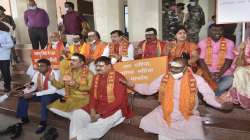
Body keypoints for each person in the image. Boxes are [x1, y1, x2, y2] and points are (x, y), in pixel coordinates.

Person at [123, 57, 233, 140]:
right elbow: (148, 89)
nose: (174, 71)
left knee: (195, 135)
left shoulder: (196, 79)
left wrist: (221, 105)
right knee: (155, 128)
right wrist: (132, 85)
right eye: (172, 68)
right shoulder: (164, 77)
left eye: (177, 69)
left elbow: (208, 96)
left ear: (186, 68)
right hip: (165, 114)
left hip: (187, 115)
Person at [69, 56, 133, 140]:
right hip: (97, 106)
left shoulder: (118, 77)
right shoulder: (96, 77)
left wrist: (100, 114)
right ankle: (73, 137)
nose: (98, 68)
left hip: (115, 108)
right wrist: (92, 110)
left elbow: (118, 101)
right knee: (78, 114)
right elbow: (92, 95)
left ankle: (77, 138)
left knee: (99, 124)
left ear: (110, 66)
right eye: (96, 66)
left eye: (101, 66)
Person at [15, 59, 62, 134]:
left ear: (49, 66)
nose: (39, 68)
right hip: (42, 93)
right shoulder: (37, 73)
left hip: (55, 94)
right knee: (23, 97)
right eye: (39, 66)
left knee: (45, 98)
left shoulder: (54, 74)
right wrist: (25, 91)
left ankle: (43, 122)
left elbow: (52, 90)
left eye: (42, 66)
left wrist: (33, 94)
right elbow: (34, 85)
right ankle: (24, 118)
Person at [48, 53, 93, 120]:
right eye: (71, 60)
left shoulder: (89, 73)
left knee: (76, 112)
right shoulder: (68, 72)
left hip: (83, 98)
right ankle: (71, 116)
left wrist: (76, 85)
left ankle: (74, 116)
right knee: (52, 107)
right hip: (69, 97)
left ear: (81, 63)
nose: (71, 62)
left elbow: (91, 89)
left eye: (74, 60)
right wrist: (53, 80)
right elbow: (60, 86)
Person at [198, 24, 235, 96]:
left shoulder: (230, 43)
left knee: (231, 80)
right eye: (214, 30)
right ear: (209, 32)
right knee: (200, 80)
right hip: (207, 72)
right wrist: (209, 73)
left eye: (220, 30)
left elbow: (229, 60)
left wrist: (220, 73)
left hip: (224, 73)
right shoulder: (202, 43)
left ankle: (212, 95)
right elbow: (201, 60)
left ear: (223, 31)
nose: (217, 32)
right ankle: (217, 95)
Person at [225, 38, 250, 109]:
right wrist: (242, 51)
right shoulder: (247, 43)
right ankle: (246, 98)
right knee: (239, 71)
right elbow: (239, 63)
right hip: (247, 68)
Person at [0, 22, 14, 92]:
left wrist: (1, 45)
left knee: (5, 72)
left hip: (4, 57)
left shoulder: (5, 34)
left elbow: (11, 44)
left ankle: (7, 86)